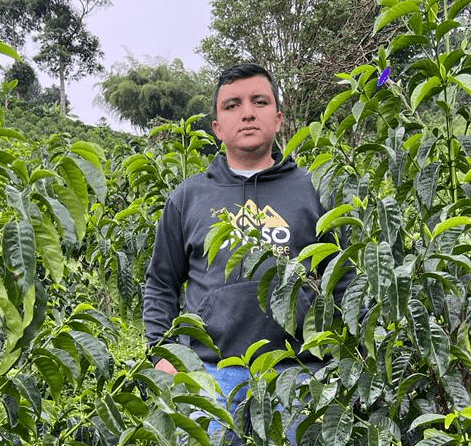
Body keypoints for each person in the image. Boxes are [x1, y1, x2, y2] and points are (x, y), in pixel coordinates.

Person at [142, 63, 353, 443]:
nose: (248, 113)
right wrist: (162, 355)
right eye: (232, 105)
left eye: (260, 101)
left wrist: (343, 359)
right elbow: (160, 282)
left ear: (278, 119)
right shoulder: (188, 197)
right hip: (211, 376)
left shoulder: (316, 189)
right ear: (217, 127)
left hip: (300, 375)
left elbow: (345, 277)